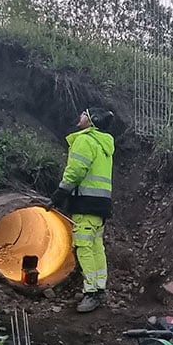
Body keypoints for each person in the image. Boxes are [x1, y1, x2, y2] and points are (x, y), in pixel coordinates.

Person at [50, 107, 115, 313]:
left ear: (92, 120)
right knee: (96, 247)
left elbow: (76, 171)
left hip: (86, 204)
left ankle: (91, 293)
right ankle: (99, 287)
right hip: (101, 205)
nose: (80, 117)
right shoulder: (104, 144)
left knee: (84, 247)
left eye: (84, 114)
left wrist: (60, 194)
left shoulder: (85, 140)